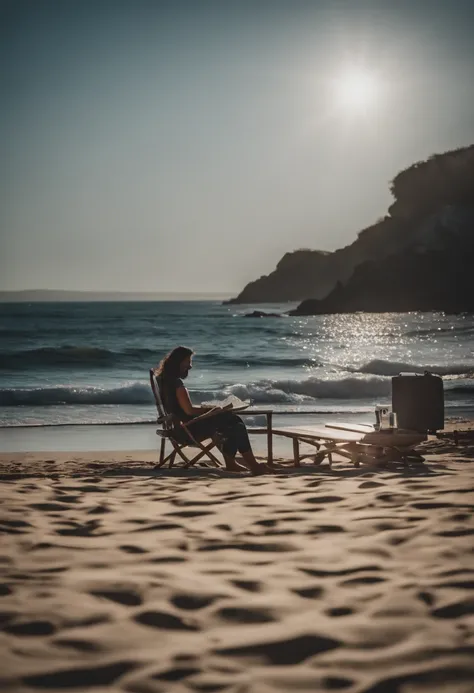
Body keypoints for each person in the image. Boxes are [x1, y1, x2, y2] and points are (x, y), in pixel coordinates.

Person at [154, 346, 270, 475]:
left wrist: (211, 411)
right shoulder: (177, 384)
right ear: (179, 362)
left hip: (179, 429)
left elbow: (182, 410)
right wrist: (213, 410)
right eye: (188, 361)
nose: (190, 366)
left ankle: (236, 464)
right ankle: (251, 465)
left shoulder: (164, 381)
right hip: (187, 431)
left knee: (232, 421)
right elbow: (189, 411)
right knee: (232, 421)